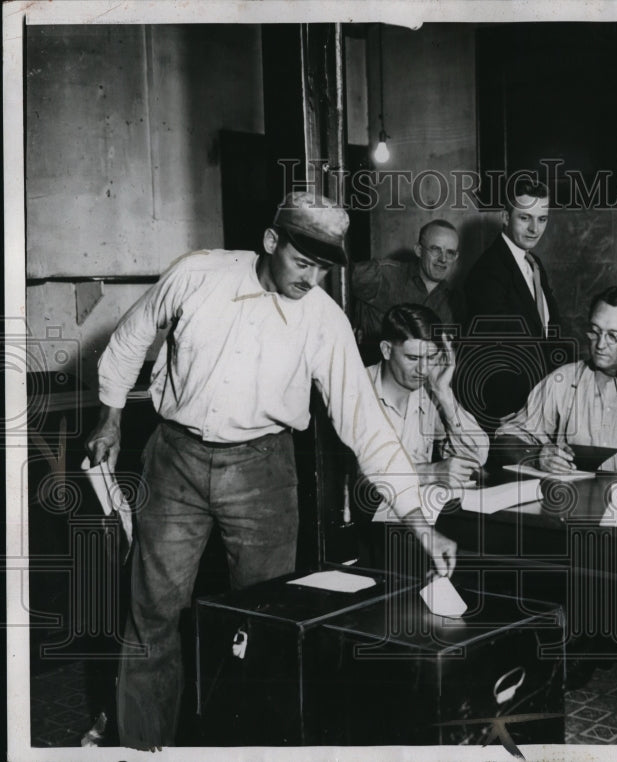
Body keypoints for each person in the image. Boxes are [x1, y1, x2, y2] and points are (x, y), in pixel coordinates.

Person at [83, 191, 456, 749]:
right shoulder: (197, 275)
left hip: (263, 473)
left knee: (263, 625)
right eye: (302, 263)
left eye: (324, 268)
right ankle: (143, 748)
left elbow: (365, 426)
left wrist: (420, 526)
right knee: (153, 617)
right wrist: (111, 417)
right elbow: (129, 339)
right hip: (175, 462)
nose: (312, 279)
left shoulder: (323, 321)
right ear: (270, 241)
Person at [495, 286, 617, 478]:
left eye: (613, 336)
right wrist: (537, 456)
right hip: (576, 502)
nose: (600, 344)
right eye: (595, 331)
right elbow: (505, 439)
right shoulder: (563, 380)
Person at [459, 176, 562, 429]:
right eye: (524, 217)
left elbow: (547, 333)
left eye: (542, 219)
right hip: (508, 408)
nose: (534, 229)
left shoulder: (534, 265)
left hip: (540, 402)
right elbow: (494, 350)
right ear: (505, 217)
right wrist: (508, 413)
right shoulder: (488, 270)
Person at [366, 303, 489, 490]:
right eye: (413, 358)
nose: (423, 370)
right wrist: (430, 473)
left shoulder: (429, 393)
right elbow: (365, 473)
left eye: (430, 358)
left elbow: (476, 456)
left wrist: (444, 393)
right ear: (386, 350)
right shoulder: (356, 390)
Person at [351, 219, 466, 364]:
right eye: (436, 249)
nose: (443, 259)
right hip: (374, 379)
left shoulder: (456, 301)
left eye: (450, 253)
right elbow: (335, 276)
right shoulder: (384, 275)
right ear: (418, 250)